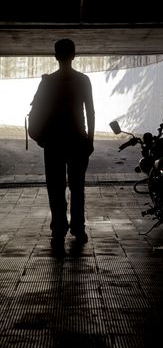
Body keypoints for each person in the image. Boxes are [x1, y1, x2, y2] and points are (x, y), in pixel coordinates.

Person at [30, 38, 95, 246]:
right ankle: (78, 228)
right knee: (77, 187)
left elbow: (37, 110)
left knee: (55, 187)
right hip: (77, 140)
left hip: (53, 142)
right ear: (74, 55)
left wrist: (40, 136)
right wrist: (90, 140)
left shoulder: (48, 81)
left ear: (56, 56)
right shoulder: (83, 80)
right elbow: (90, 112)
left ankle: (58, 229)